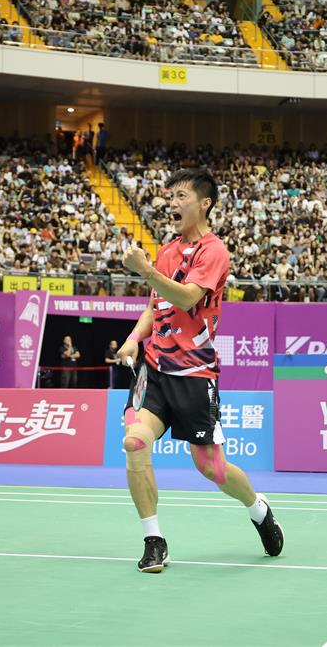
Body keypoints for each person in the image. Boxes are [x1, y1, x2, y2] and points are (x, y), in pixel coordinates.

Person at [118, 168, 283, 573]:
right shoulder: (166, 250)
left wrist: (146, 271)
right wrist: (134, 338)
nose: (171, 203)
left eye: (181, 196)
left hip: (195, 374)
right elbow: (156, 305)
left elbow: (188, 297)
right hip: (155, 368)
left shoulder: (215, 252)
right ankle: (154, 539)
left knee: (212, 467)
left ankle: (258, 509)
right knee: (135, 443)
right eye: (169, 196)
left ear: (204, 203)